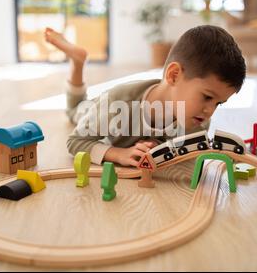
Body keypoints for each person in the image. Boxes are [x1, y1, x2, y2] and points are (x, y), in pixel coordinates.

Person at [44, 25, 246, 167]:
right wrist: (117, 154)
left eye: (219, 103)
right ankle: (78, 61)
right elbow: (76, 141)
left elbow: (183, 152)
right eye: (207, 97)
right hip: (94, 110)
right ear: (174, 75)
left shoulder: (198, 121)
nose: (210, 111)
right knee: (75, 109)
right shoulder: (116, 103)